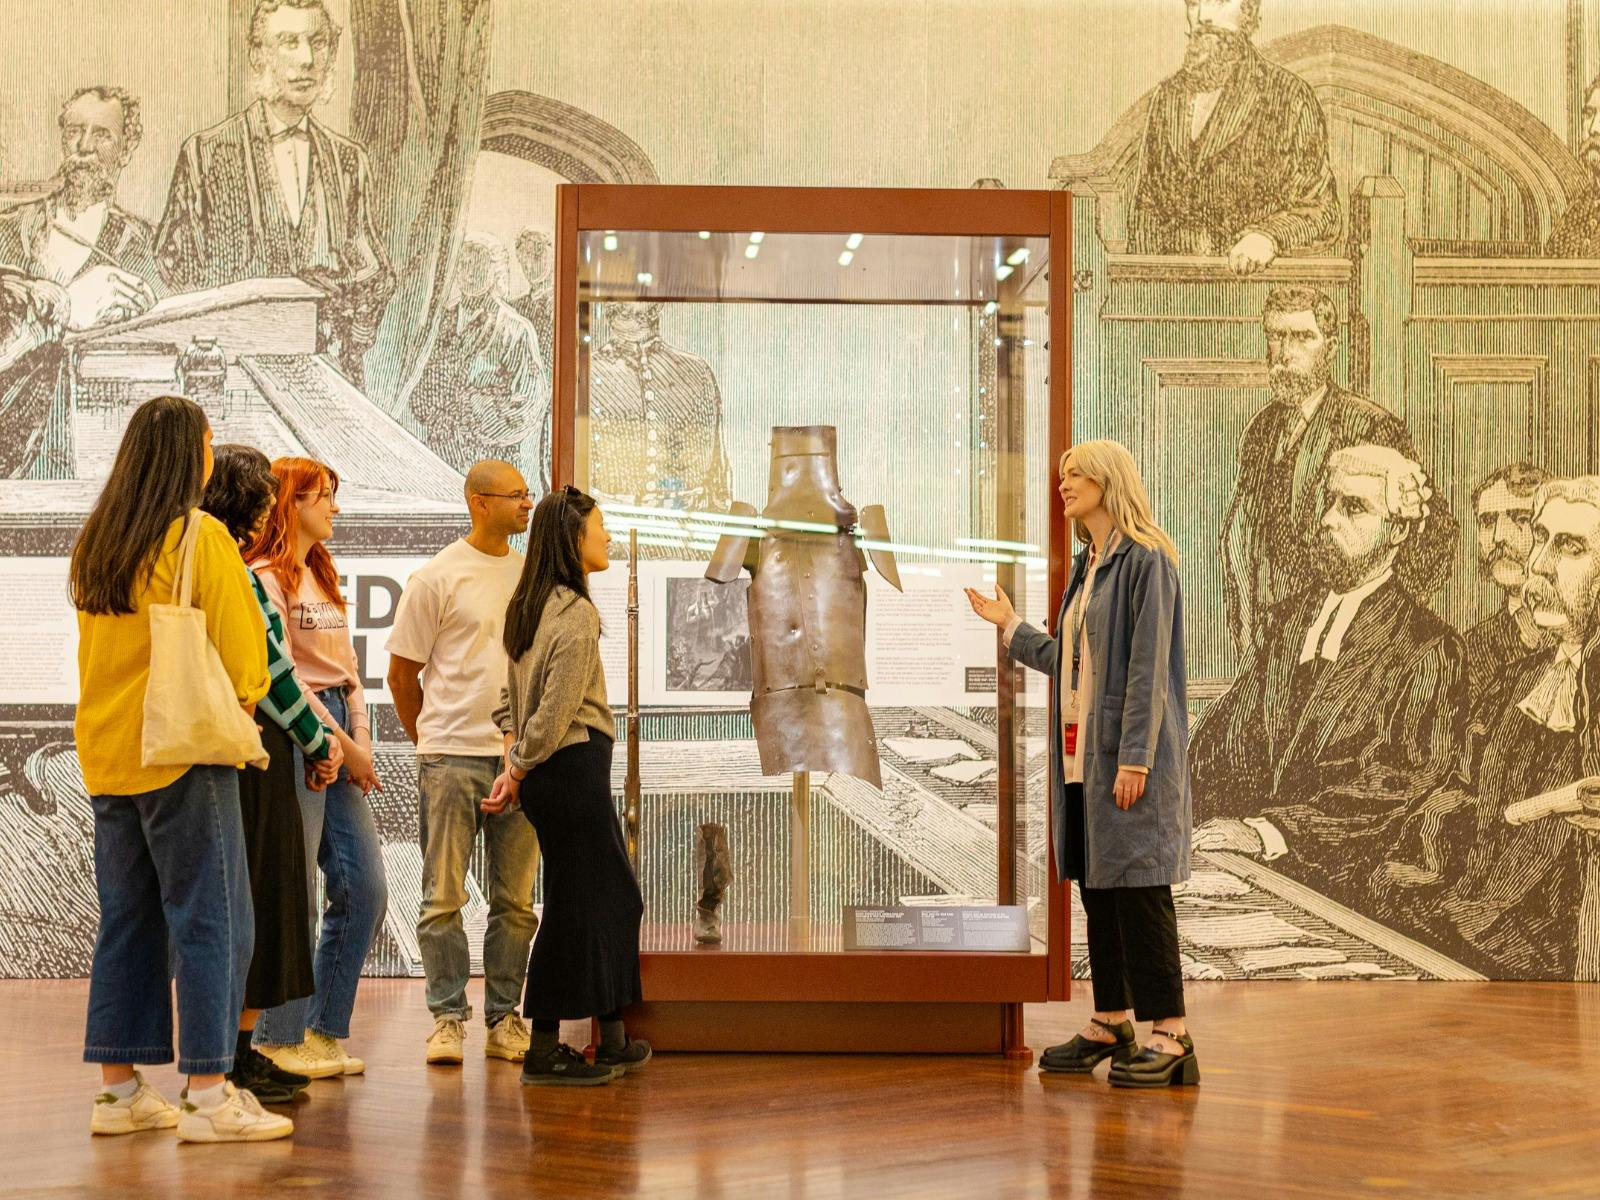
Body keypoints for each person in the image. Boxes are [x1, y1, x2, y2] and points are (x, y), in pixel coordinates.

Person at [71, 395, 291, 1142]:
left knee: (128, 923)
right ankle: (207, 1090)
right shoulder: (198, 537)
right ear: (190, 455)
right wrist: (244, 700)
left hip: (108, 752)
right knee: (215, 919)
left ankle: (120, 1090)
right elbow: (243, 657)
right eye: (205, 442)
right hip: (182, 752)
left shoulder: (101, 539)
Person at [965, 440, 1197, 1087]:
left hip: (1128, 763)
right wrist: (1010, 625)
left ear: (1108, 481)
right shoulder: (1090, 564)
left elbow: (1150, 671)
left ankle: (1172, 1037)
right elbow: (1066, 657)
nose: (1064, 484)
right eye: (1062, 474)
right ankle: (1111, 1022)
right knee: (1101, 892)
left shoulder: (1147, 559)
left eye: (1077, 474)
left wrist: (1135, 761)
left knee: (1141, 893)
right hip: (1082, 765)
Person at [1191, 445, 1465, 910]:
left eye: (1353, 507)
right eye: (1329, 502)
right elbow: (1225, 734)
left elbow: (1397, 784)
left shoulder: (1428, 646)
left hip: (1340, 889)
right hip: (1240, 871)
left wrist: (1267, 832)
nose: (1329, 520)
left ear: (1398, 529)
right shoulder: (1288, 621)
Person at [482, 485, 649, 1086]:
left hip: (556, 777)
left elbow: (510, 705)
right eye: (599, 528)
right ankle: (545, 1049)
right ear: (574, 540)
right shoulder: (576, 615)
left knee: (604, 901)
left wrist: (514, 767)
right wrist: (519, 768)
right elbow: (552, 715)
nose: (605, 538)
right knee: (581, 910)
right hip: (571, 769)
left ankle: (610, 1039)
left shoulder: (529, 607)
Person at [200, 445, 344, 1103]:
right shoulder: (234, 567)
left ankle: (235, 1054)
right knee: (262, 902)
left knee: (257, 904)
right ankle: (228, 1059)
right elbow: (271, 672)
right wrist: (321, 742)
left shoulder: (204, 558)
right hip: (253, 751)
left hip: (237, 748)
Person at [386, 460, 539, 1066]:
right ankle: (448, 1018)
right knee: (442, 898)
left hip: (519, 760)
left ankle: (506, 1019)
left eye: (529, 495)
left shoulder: (531, 576)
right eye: (516, 496)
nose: (527, 505)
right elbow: (402, 674)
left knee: (516, 903)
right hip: (451, 757)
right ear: (479, 502)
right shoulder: (436, 577)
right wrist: (433, 740)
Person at [154, 0, 393, 383]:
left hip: (326, 374)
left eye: (319, 42)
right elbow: (173, 261)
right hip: (231, 373)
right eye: (289, 42)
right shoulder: (207, 152)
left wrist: (346, 326)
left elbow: (373, 271)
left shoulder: (349, 160)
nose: (308, 59)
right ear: (258, 54)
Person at [246, 456, 388, 1079]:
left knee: (366, 889)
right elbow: (287, 679)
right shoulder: (265, 577)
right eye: (323, 495)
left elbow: (348, 674)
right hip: (295, 734)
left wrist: (360, 741)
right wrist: (334, 746)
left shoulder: (322, 575)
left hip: (336, 728)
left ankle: (324, 1029)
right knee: (295, 891)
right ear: (290, 501)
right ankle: (278, 1038)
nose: (333, 506)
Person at [1219, 286, 1428, 652]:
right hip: (1262, 641)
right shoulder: (1260, 429)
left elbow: (1421, 539)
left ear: (1330, 350)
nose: (1285, 353)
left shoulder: (1367, 425)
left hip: (1336, 642)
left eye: (1303, 337)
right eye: (1276, 336)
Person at [1127, 0, 1341, 272]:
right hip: (1172, 291)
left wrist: (1268, 236)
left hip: (1250, 291)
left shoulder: (1287, 96)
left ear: (1248, 10)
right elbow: (1146, 209)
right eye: (1193, 3)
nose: (1203, 16)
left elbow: (1322, 213)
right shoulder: (1167, 97)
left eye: (1218, 2)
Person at [408, 233, 549, 487]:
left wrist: (474, 411)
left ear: (495, 271)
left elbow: (529, 403)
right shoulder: (441, 321)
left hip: (490, 467)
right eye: (463, 264)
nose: (468, 272)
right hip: (440, 457)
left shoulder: (514, 329)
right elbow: (419, 385)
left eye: (478, 265)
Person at [589, 301, 732, 512]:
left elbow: (717, 473)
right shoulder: (587, 372)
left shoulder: (696, 371)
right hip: (611, 532)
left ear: (658, 303)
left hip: (687, 533)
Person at [1462, 464, 1553, 697]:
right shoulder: (1469, 648)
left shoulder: (1588, 639)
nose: (1499, 536)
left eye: (1521, 518)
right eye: (1489, 521)